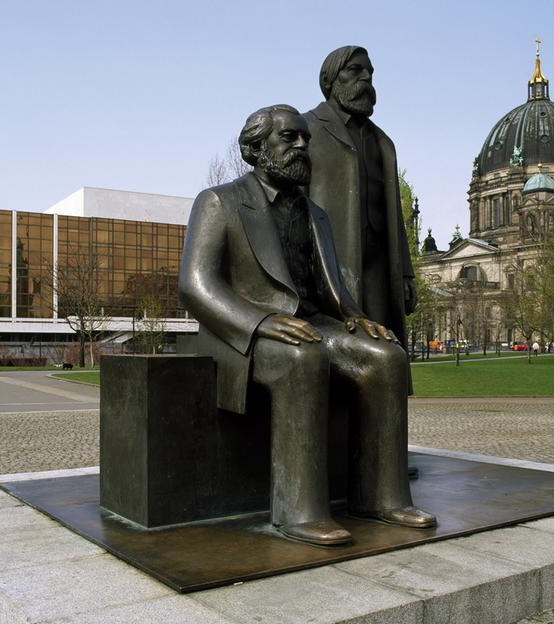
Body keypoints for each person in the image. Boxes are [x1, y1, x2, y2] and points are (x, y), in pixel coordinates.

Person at [179, 105, 435, 546]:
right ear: (257, 150)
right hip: (241, 334)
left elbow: (329, 286)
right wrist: (261, 322)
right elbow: (196, 285)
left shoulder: (316, 214)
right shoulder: (219, 201)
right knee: (304, 358)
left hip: (311, 326)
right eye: (290, 138)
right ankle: (298, 511)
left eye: (305, 138)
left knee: (386, 358)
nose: (303, 146)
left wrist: (356, 318)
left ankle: (382, 497)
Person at [303, 46, 416, 352]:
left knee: (383, 349)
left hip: (379, 269)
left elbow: (395, 216)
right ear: (330, 79)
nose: (365, 77)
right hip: (328, 266)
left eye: (369, 72)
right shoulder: (306, 129)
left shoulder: (383, 143)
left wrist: (405, 272)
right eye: (355, 70)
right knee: (335, 355)